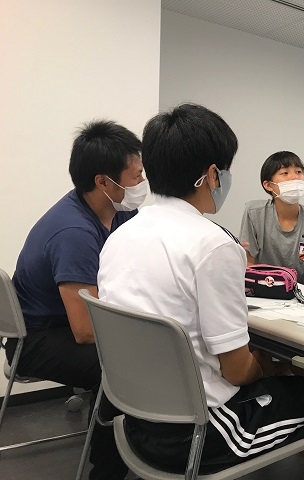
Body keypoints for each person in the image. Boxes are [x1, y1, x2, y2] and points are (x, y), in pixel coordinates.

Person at [97, 104, 304, 480]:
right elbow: (237, 371)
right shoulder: (213, 244)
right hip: (200, 432)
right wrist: (269, 363)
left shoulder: (119, 236)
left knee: (283, 378)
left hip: (133, 418)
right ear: (211, 175)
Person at [7, 120, 148, 479]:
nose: (142, 183)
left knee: (137, 352)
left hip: (62, 324)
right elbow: (85, 331)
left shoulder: (119, 212)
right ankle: (106, 469)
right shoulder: (74, 233)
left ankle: (133, 438)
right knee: (120, 367)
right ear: (103, 182)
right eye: (136, 176)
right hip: (37, 339)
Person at [239, 151, 304, 290]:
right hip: (260, 290)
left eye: (299, 172)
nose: (294, 177)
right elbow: (248, 262)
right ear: (268, 185)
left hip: (298, 294)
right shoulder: (254, 213)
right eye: (285, 173)